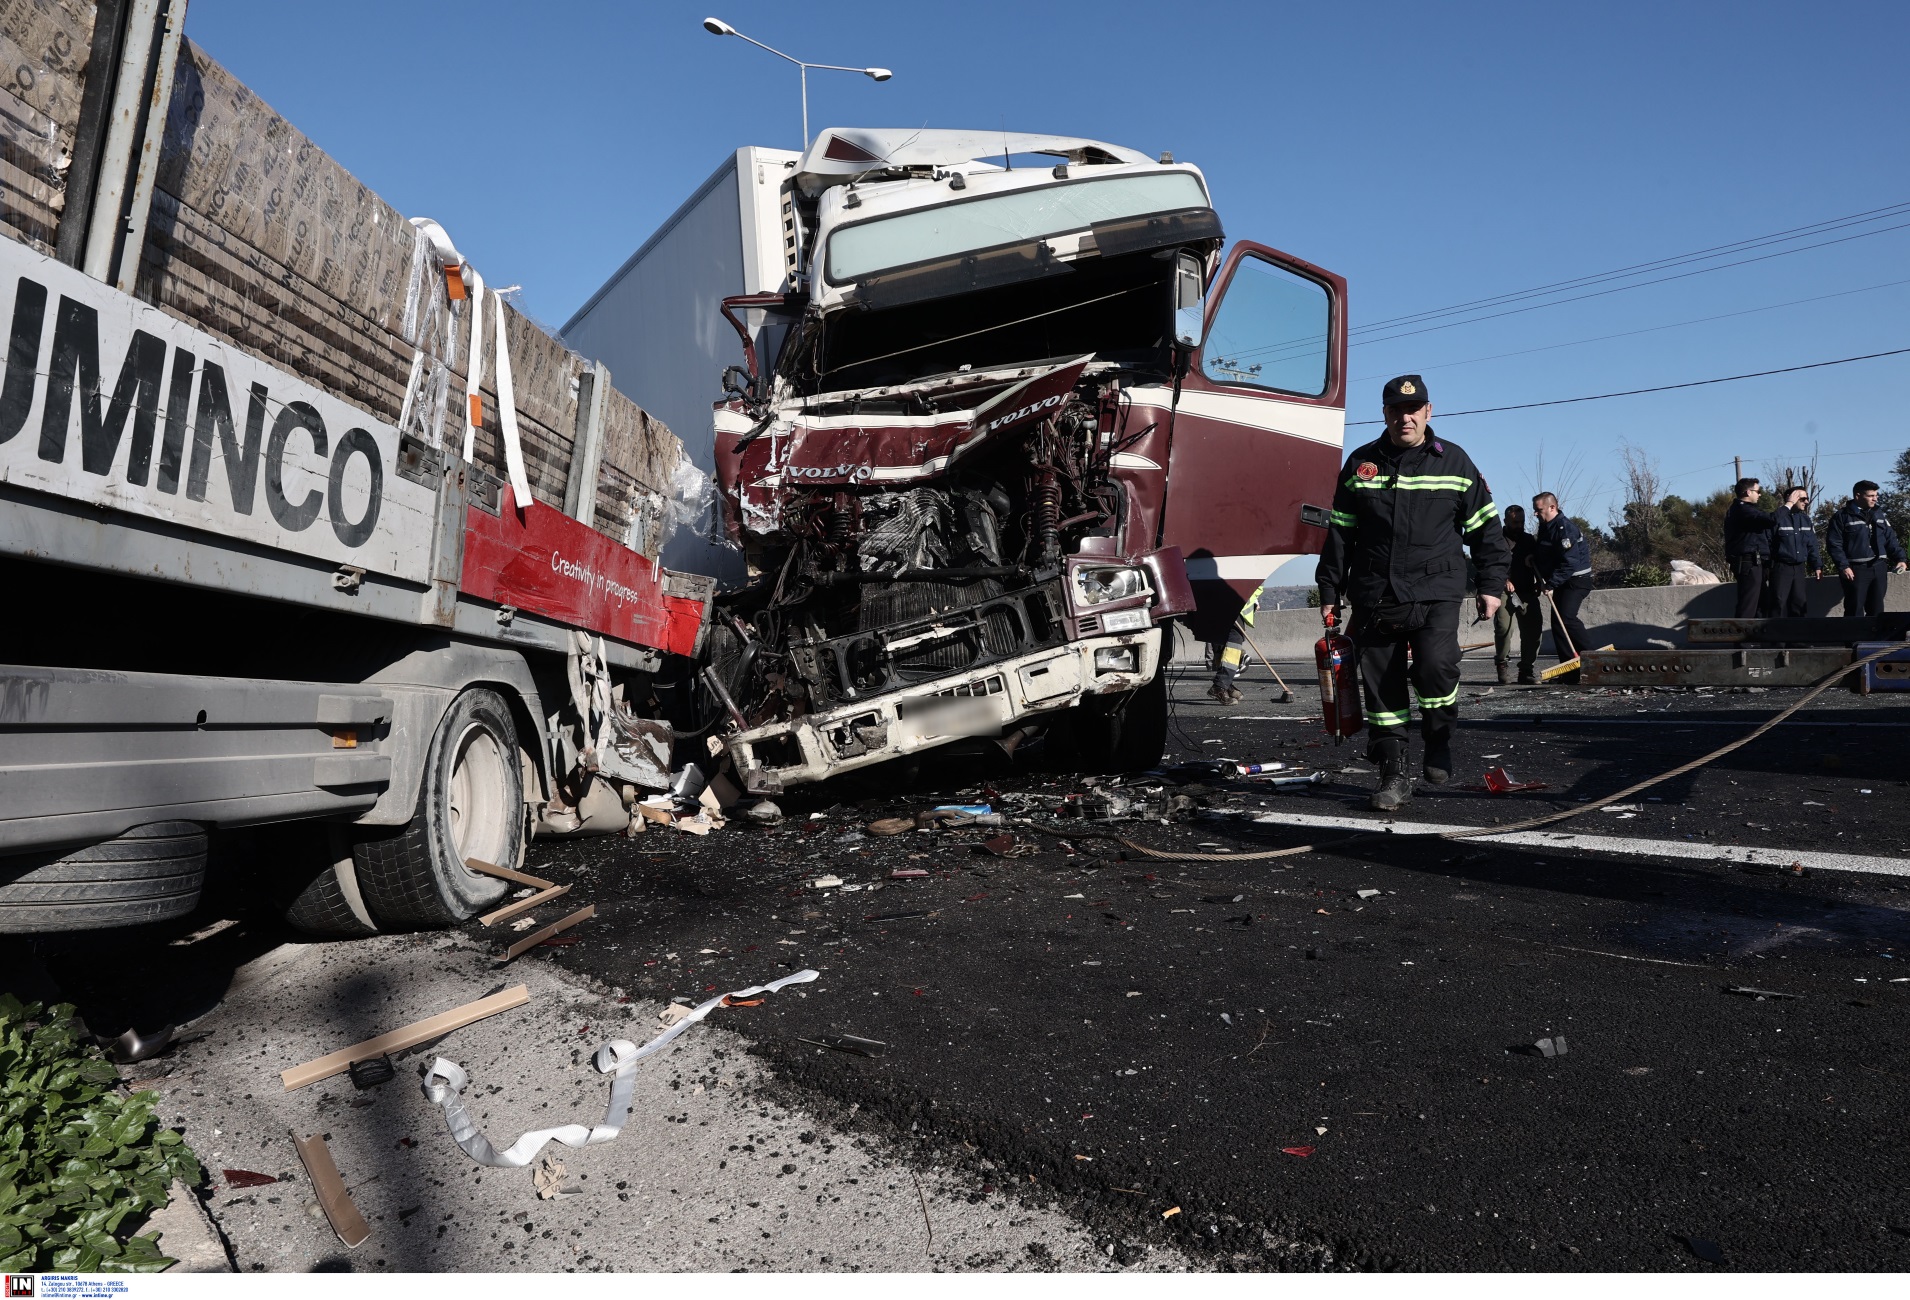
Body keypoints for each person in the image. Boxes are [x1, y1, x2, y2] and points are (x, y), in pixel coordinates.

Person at [1318, 375, 1505, 811]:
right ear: (1385, 413)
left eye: (1414, 409)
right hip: (1374, 593)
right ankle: (1392, 772)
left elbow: (1486, 532)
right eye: (1396, 410)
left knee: (1436, 668)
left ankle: (1438, 739)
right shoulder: (1361, 464)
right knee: (1381, 689)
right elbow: (1341, 534)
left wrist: (1491, 586)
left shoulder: (1455, 463)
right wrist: (1330, 587)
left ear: (1428, 412)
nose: (1405, 417)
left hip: (1435, 589)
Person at [1825, 479, 1908, 616]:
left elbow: (1890, 539)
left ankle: (1875, 638)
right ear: (1858, 496)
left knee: (1876, 609)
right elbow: (1834, 544)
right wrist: (1843, 566)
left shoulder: (1878, 514)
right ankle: (1853, 637)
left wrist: (1900, 558)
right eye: (1871, 496)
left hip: (1879, 567)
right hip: (1856, 569)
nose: (1875, 499)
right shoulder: (1842, 516)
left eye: (1876, 495)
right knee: (1855, 608)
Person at [1531, 492, 1592, 670]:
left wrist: (1551, 583)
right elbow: (1545, 553)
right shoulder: (1545, 527)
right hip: (1562, 582)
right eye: (1535, 510)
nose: (1536, 514)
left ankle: (1593, 656)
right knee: (1558, 624)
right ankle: (1570, 670)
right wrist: (1532, 558)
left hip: (1576, 581)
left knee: (1566, 618)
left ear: (1552, 507)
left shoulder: (1565, 529)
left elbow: (1569, 562)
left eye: (1539, 510)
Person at [1493, 503, 1543, 684]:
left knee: (1534, 630)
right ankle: (1502, 663)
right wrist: (1504, 580)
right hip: (1504, 590)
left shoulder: (1529, 540)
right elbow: (1490, 564)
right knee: (1504, 629)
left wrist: (1540, 581)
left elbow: (1538, 562)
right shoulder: (1496, 539)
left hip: (1527, 590)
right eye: (1515, 522)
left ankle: (1526, 670)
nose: (1519, 525)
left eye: (1521, 522)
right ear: (1506, 521)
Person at [1722, 477, 1777, 619]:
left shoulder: (1748, 511)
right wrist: (1788, 505)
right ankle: (1741, 639)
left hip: (1756, 562)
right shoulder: (1742, 510)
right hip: (1748, 562)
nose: (1760, 494)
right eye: (1758, 491)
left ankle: (1756, 636)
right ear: (1748, 492)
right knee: (1749, 603)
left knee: (1762, 602)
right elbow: (1771, 519)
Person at [1769, 485, 1823, 618]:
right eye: (1802, 498)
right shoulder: (1778, 518)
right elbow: (1767, 544)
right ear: (1791, 498)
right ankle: (1777, 637)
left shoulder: (1805, 520)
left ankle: (1798, 636)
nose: (1806, 502)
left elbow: (1812, 545)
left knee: (1799, 603)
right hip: (1781, 567)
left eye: (1807, 498)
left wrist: (1817, 565)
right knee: (1778, 603)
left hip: (1799, 568)